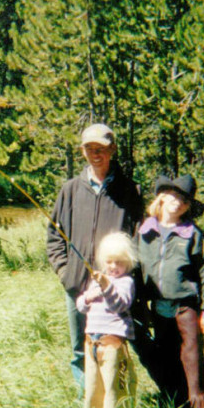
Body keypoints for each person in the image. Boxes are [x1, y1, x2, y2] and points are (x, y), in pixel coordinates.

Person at [46, 123, 143, 392]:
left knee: (116, 347)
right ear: (82, 151)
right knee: (80, 350)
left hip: (115, 287)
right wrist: (65, 273)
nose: (95, 154)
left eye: (101, 148)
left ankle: (116, 405)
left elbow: (138, 239)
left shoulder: (129, 191)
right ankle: (88, 406)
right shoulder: (70, 190)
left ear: (112, 150)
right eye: (90, 148)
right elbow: (54, 236)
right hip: (78, 286)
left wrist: (125, 278)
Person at [136, 174, 204, 408]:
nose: (177, 202)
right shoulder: (145, 231)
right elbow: (136, 268)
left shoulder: (192, 234)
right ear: (162, 197)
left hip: (186, 306)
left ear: (188, 206)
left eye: (184, 199)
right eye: (173, 195)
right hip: (158, 307)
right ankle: (175, 404)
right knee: (167, 355)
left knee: (192, 357)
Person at [76, 232, 137, 408]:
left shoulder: (125, 282)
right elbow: (81, 307)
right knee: (93, 388)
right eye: (109, 262)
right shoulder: (97, 281)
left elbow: (119, 304)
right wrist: (88, 297)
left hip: (112, 344)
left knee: (113, 388)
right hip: (92, 341)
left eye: (118, 262)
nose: (113, 267)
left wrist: (106, 286)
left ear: (127, 262)